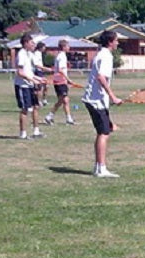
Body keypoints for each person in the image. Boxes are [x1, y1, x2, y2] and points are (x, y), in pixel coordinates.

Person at [81, 30, 123, 177]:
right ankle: (101, 168)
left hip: (96, 100)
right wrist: (113, 96)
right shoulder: (106, 56)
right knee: (104, 133)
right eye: (116, 40)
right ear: (110, 42)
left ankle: (98, 166)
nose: (118, 42)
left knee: (104, 131)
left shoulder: (102, 54)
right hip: (95, 101)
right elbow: (101, 77)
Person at [14, 33, 44, 139]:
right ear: (26, 43)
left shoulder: (29, 54)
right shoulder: (21, 54)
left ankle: (36, 131)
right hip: (22, 86)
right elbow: (20, 72)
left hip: (30, 85)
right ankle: (23, 134)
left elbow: (29, 72)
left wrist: (38, 79)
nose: (33, 44)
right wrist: (32, 80)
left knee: (36, 107)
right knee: (25, 109)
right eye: (31, 42)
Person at [44, 38, 76, 126]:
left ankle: (54, 117)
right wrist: (68, 79)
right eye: (68, 46)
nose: (69, 47)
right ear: (64, 47)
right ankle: (51, 116)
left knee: (64, 100)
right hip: (60, 81)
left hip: (61, 81)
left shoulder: (61, 56)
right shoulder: (62, 56)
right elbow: (61, 70)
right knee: (64, 100)